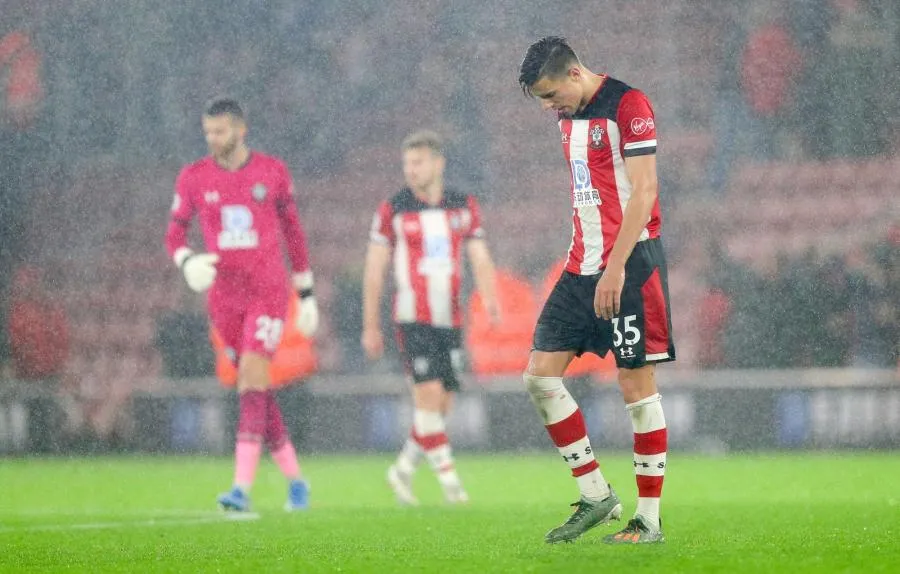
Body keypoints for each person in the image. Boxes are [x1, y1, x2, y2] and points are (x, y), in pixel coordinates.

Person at [518, 37, 675, 544]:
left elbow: (644, 191)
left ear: (574, 74)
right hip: (579, 267)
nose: (548, 106)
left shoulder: (629, 105)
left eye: (549, 95)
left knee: (635, 387)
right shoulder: (567, 117)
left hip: (629, 268)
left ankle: (648, 518)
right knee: (540, 377)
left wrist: (616, 266)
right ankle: (596, 495)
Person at [164, 97, 319, 512]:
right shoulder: (194, 177)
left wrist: (306, 293)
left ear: (240, 129)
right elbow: (174, 236)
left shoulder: (272, 172)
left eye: (219, 131)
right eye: (208, 132)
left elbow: (294, 234)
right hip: (224, 300)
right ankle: (296, 481)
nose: (212, 139)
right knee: (256, 388)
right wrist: (187, 261)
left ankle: (240, 490)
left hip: (267, 292)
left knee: (252, 376)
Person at [362, 130, 499, 505]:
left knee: (441, 406)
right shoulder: (394, 209)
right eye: (407, 163)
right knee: (428, 396)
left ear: (438, 163)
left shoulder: (462, 205)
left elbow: (480, 256)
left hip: (451, 320)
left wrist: (490, 299)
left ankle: (402, 469)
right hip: (412, 318)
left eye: (418, 162)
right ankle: (452, 485)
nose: (411, 170)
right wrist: (370, 325)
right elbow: (375, 270)